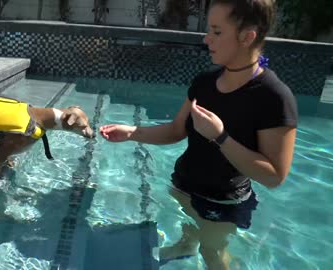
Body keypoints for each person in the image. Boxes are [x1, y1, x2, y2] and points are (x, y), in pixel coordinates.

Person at [99, 0, 298, 269]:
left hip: (223, 200)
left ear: (247, 36)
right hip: (184, 184)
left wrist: (221, 137)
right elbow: (175, 130)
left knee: (212, 254)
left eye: (216, 32)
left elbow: (274, 176)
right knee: (189, 228)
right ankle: (185, 246)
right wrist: (132, 132)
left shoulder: (274, 97)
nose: (206, 39)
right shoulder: (205, 82)